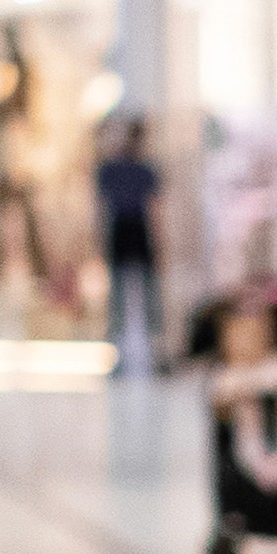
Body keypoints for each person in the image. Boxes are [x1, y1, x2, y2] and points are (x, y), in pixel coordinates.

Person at [97, 115, 166, 374]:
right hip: (124, 230)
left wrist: (159, 243)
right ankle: (118, 353)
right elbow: (103, 209)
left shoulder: (143, 169)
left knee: (148, 295)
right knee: (119, 297)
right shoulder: (110, 169)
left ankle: (156, 351)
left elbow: (154, 209)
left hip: (137, 230)